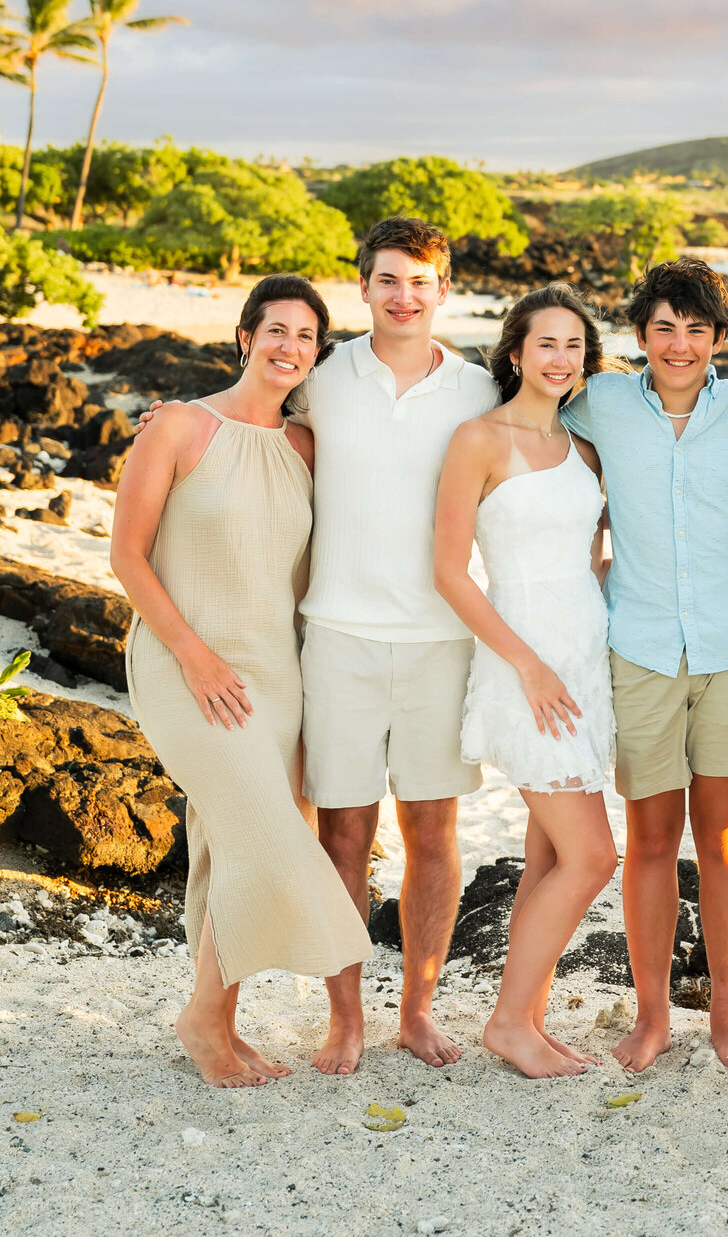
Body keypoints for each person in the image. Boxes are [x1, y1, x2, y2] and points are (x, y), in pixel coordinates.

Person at [112, 274, 372, 1088]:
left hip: (275, 673)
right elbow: (126, 554)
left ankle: (218, 1022)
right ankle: (203, 1015)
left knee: (227, 846)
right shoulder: (183, 426)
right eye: (277, 330)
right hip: (183, 661)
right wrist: (193, 654)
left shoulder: (304, 448)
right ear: (244, 336)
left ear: (318, 353)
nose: (290, 346)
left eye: (306, 336)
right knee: (271, 836)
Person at [561, 257, 728, 1074]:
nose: (680, 344)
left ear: (721, 338)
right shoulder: (602, 401)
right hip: (642, 647)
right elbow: (513, 403)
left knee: (724, 837)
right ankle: (652, 1016)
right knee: (649, 840)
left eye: (696, 329)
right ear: (639, 335)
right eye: (664, 328)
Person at [295, 217, 500, 1073]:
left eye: (420, 281)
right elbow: (244, 411)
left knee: (432, 831)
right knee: (342, 832)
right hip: (337, 634)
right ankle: (346, 1017)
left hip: (442, 641)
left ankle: (416, 1009)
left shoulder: (481, 389)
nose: (403, 295)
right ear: (364, 285)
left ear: (443, 289)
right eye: (388, 279)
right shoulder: (322, 373)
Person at [434, 284, 617, 1078]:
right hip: (524, 664)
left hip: (583, 658)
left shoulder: (583, 448)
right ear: (515, 351)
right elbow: (448, 571)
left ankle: (531, 1019)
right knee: (592, 856)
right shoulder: (480, 437)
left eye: (575, 346)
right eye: (547, 343)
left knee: (548, 859)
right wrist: (529, 662)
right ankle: (508, 1022)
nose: (562, 358)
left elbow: (587, 558)